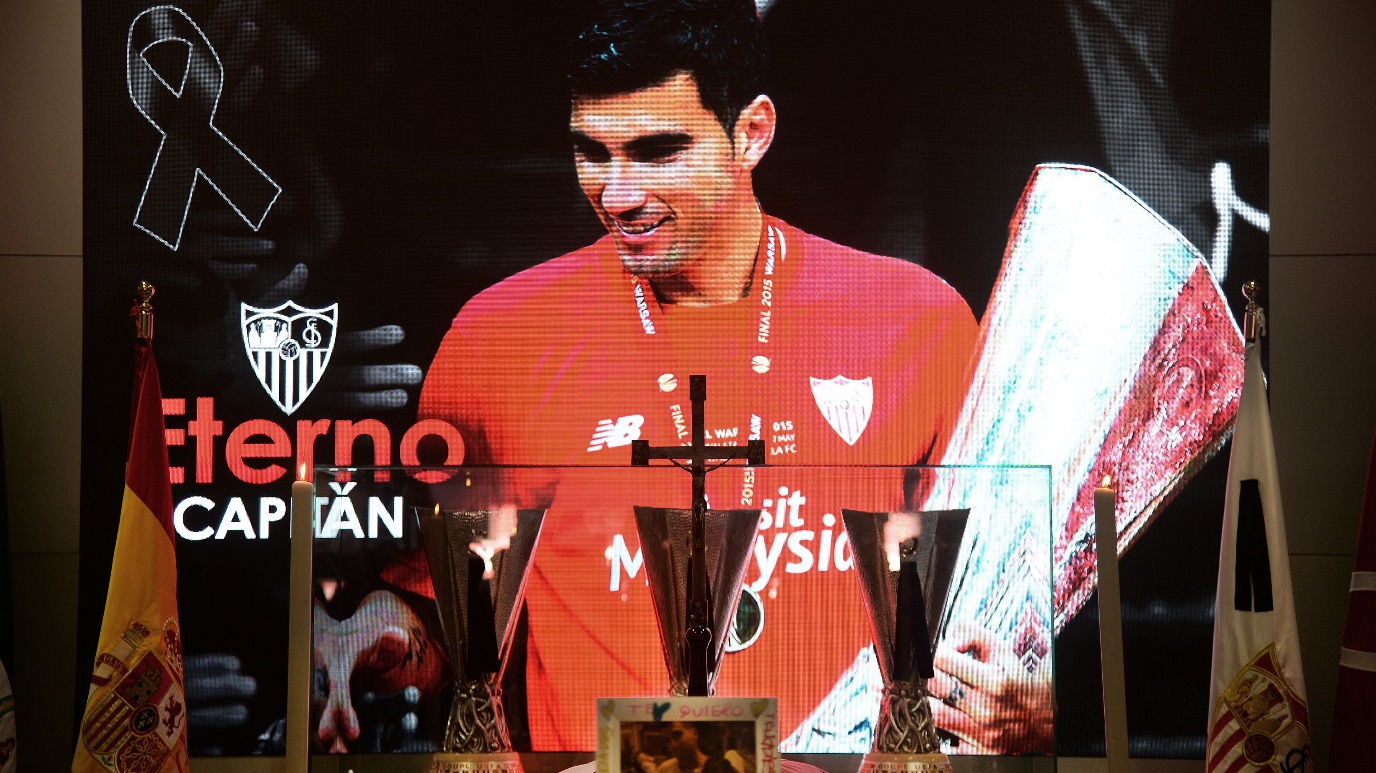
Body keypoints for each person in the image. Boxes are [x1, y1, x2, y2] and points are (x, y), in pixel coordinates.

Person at [419, 0, 1039, 752]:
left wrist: (1036, 708)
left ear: (752, 133)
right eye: (592, 152)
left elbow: (1002, 615)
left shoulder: (916, 322)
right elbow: (441, 616)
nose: (617, 195)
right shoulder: (498, 338)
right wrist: (381, 636)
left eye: (657, 152)